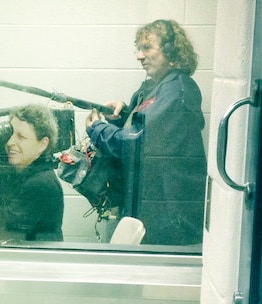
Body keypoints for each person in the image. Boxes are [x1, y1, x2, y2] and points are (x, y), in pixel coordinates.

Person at [86, 19, 207, 246]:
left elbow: (138, 144)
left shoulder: (178, 90)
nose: (139, 56)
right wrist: (120, 114)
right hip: (149, 202)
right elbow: (141, 125)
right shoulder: (152, 87)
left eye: (147, 48)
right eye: (138, 49)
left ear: (171, 51)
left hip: (169, 211)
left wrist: (98, 129)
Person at [0, 104, 64, 243]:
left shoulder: (42, 184)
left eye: (21, 137)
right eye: (9, 135)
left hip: (34, 261)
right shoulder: (12, 175)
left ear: (42, 144)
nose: (10, 142)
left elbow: (1, 230)